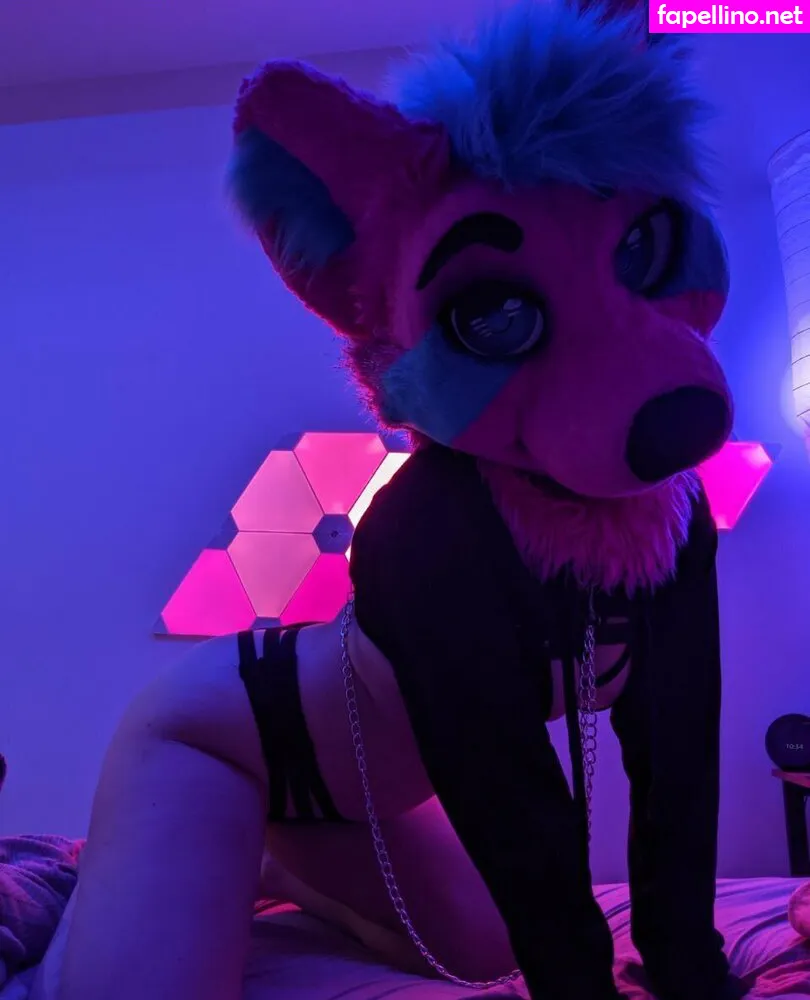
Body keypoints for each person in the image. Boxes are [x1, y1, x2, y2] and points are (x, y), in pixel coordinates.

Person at [57, 2, 747, 998]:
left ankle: (272, 862)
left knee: (482, 952)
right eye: (495, 313)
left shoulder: (669, 516)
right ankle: (197, 848)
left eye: (638, 250)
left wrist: (691, 967)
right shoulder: (428, 527)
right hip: (230, 739)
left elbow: (678, 749)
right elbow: (506, 788)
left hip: (373, 794)